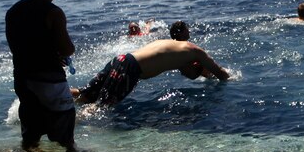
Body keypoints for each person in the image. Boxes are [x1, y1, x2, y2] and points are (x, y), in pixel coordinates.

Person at [5, 0, 77, 152]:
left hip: (23, 79)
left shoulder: (13, 11)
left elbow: (19, 47)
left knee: (30, 139)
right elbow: (67, 48)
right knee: (65, 139)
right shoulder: (53, 12)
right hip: (49, 81)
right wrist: (59, 54)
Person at [75, 40, 229, 107]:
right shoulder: (197, 53)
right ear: (196, 64)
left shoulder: (178, 48)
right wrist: (234, 80)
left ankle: (53, 95)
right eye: (197, 72)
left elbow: (189, 70)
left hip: (121, 59)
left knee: (85, 95)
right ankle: (70, 124)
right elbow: (221, 74)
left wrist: (204, 74)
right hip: (130, 67)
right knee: (101, 107)